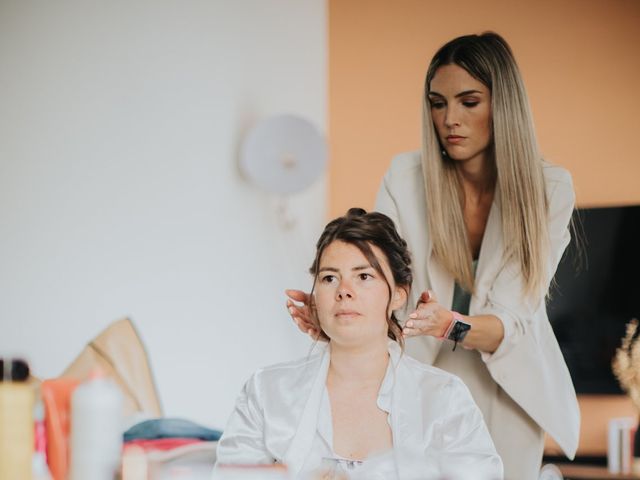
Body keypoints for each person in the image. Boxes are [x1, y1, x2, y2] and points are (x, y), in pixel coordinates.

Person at [287, 33, 580, 480]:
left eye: (468, 102)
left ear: (502, 105)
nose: (450, 119)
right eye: (437, 103)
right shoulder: (404, 178)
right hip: (416, 373)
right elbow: (376, 269)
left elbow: (513, 319)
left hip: (508, 382)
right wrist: (334, 315)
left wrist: (448, 324)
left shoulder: (550, 190)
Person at [217, 208, 503, 479]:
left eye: (364, 276)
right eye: (329, 278)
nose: (344, 291)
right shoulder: (266, 392)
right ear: (315, 296)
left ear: (398, 296)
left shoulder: (444, 398)